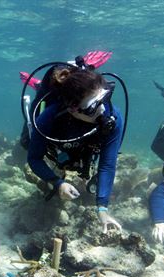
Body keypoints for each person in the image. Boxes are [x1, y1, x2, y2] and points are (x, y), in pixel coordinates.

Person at [26, 66, 124, 233]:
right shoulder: (48, 118)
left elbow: (107, 165)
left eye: (106, 97)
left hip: (84, 148)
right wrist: (58, 183)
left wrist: (102, 208)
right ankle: (41, 87)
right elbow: (34, 158)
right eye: (93, 107)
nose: (102, 110)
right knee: (25, 142)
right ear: (73, 108)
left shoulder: (113, 116)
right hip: (58, 144)